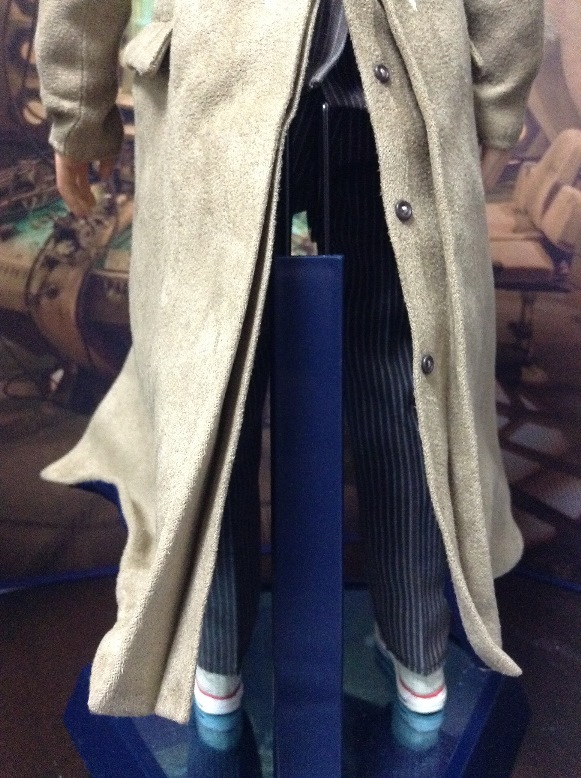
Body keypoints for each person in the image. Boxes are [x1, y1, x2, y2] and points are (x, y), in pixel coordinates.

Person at [35, 0, 544, 726]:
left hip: (231, 73)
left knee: (219, 381)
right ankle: (416, 654)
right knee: (396, 378)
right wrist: (496, 100)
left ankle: (217, 661)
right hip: (385, 72)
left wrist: (77, 109)